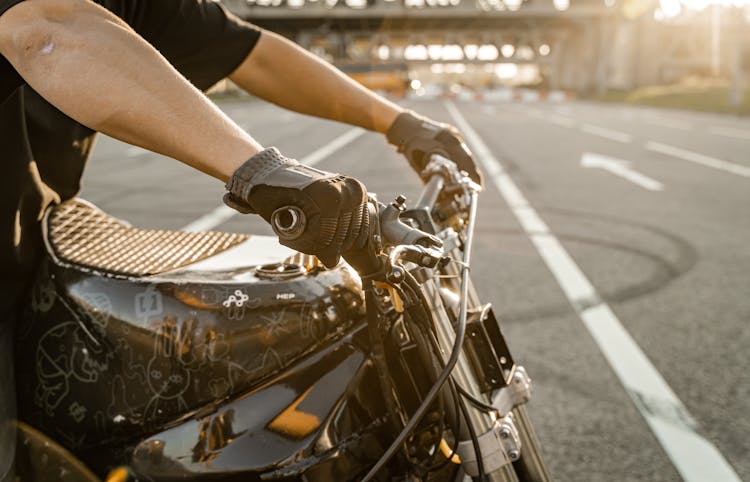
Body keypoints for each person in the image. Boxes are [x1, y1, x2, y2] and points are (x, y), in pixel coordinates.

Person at [0, 0, 482, 478]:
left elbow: (253, 54)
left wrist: (401, 124)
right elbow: (43, 31)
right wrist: (262, 173)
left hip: (37, 238)